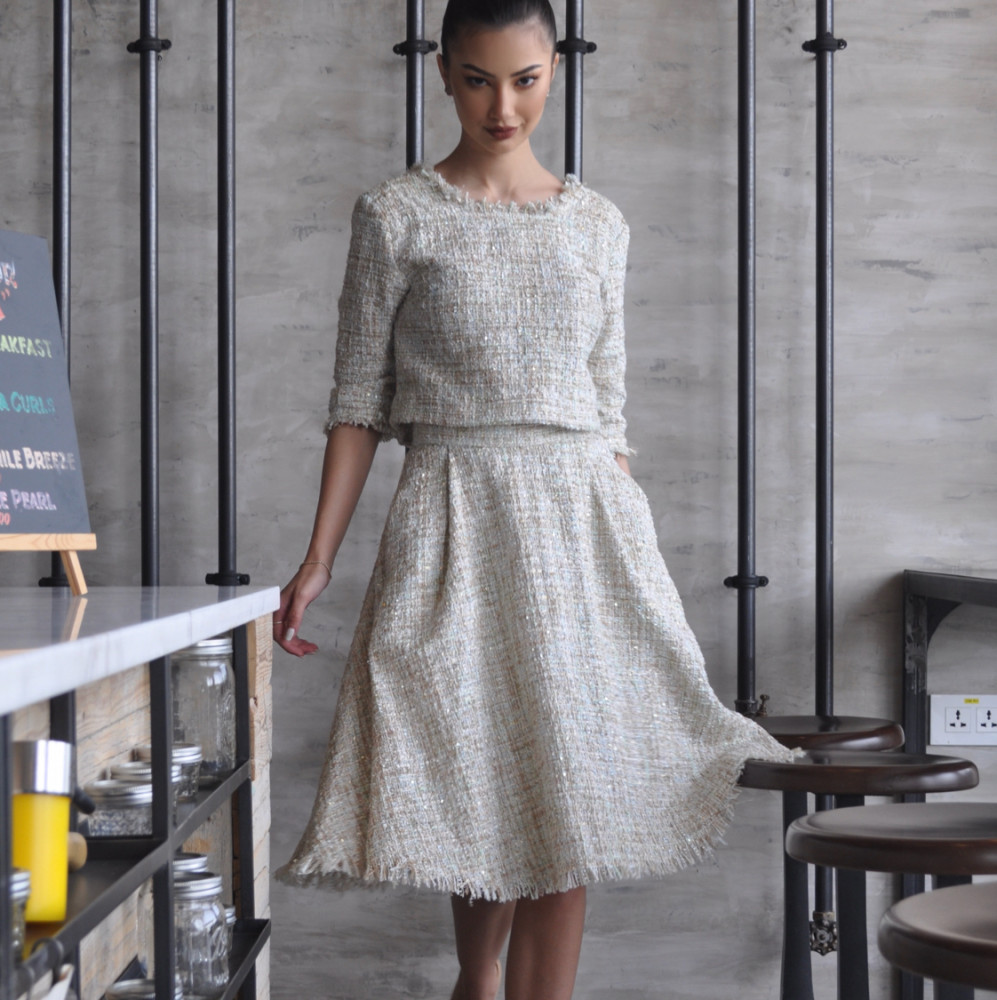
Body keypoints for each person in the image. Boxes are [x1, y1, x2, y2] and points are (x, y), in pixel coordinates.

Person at [273, 1, 796, 997]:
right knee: (478, 769)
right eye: (477, 80)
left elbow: (608, 406)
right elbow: (357, 402)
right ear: (443, 73)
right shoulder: (396, 214)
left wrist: (632, 567)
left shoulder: (598, 225)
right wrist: (317, 561)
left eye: (524, 80)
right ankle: (477, 979)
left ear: (555, 70)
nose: (502, 106)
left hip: (583, 523)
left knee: (572, 783)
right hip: (453, 514)